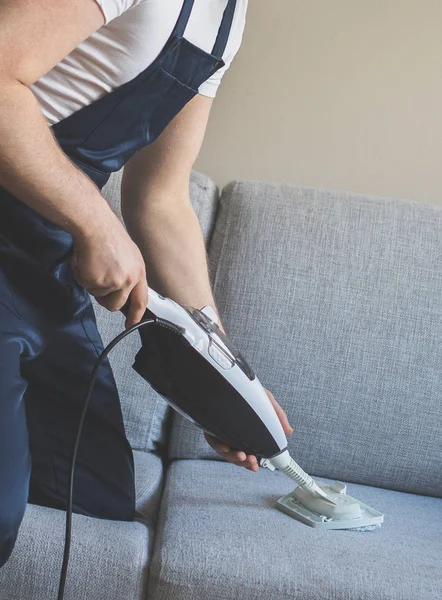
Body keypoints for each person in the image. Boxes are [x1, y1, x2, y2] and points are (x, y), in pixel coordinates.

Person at [0, 0, 292, 568]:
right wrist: (92, 220)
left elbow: (160, 200)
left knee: (92, 496)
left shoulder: (225, 22)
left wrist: (224, 375)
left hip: (42, 267)